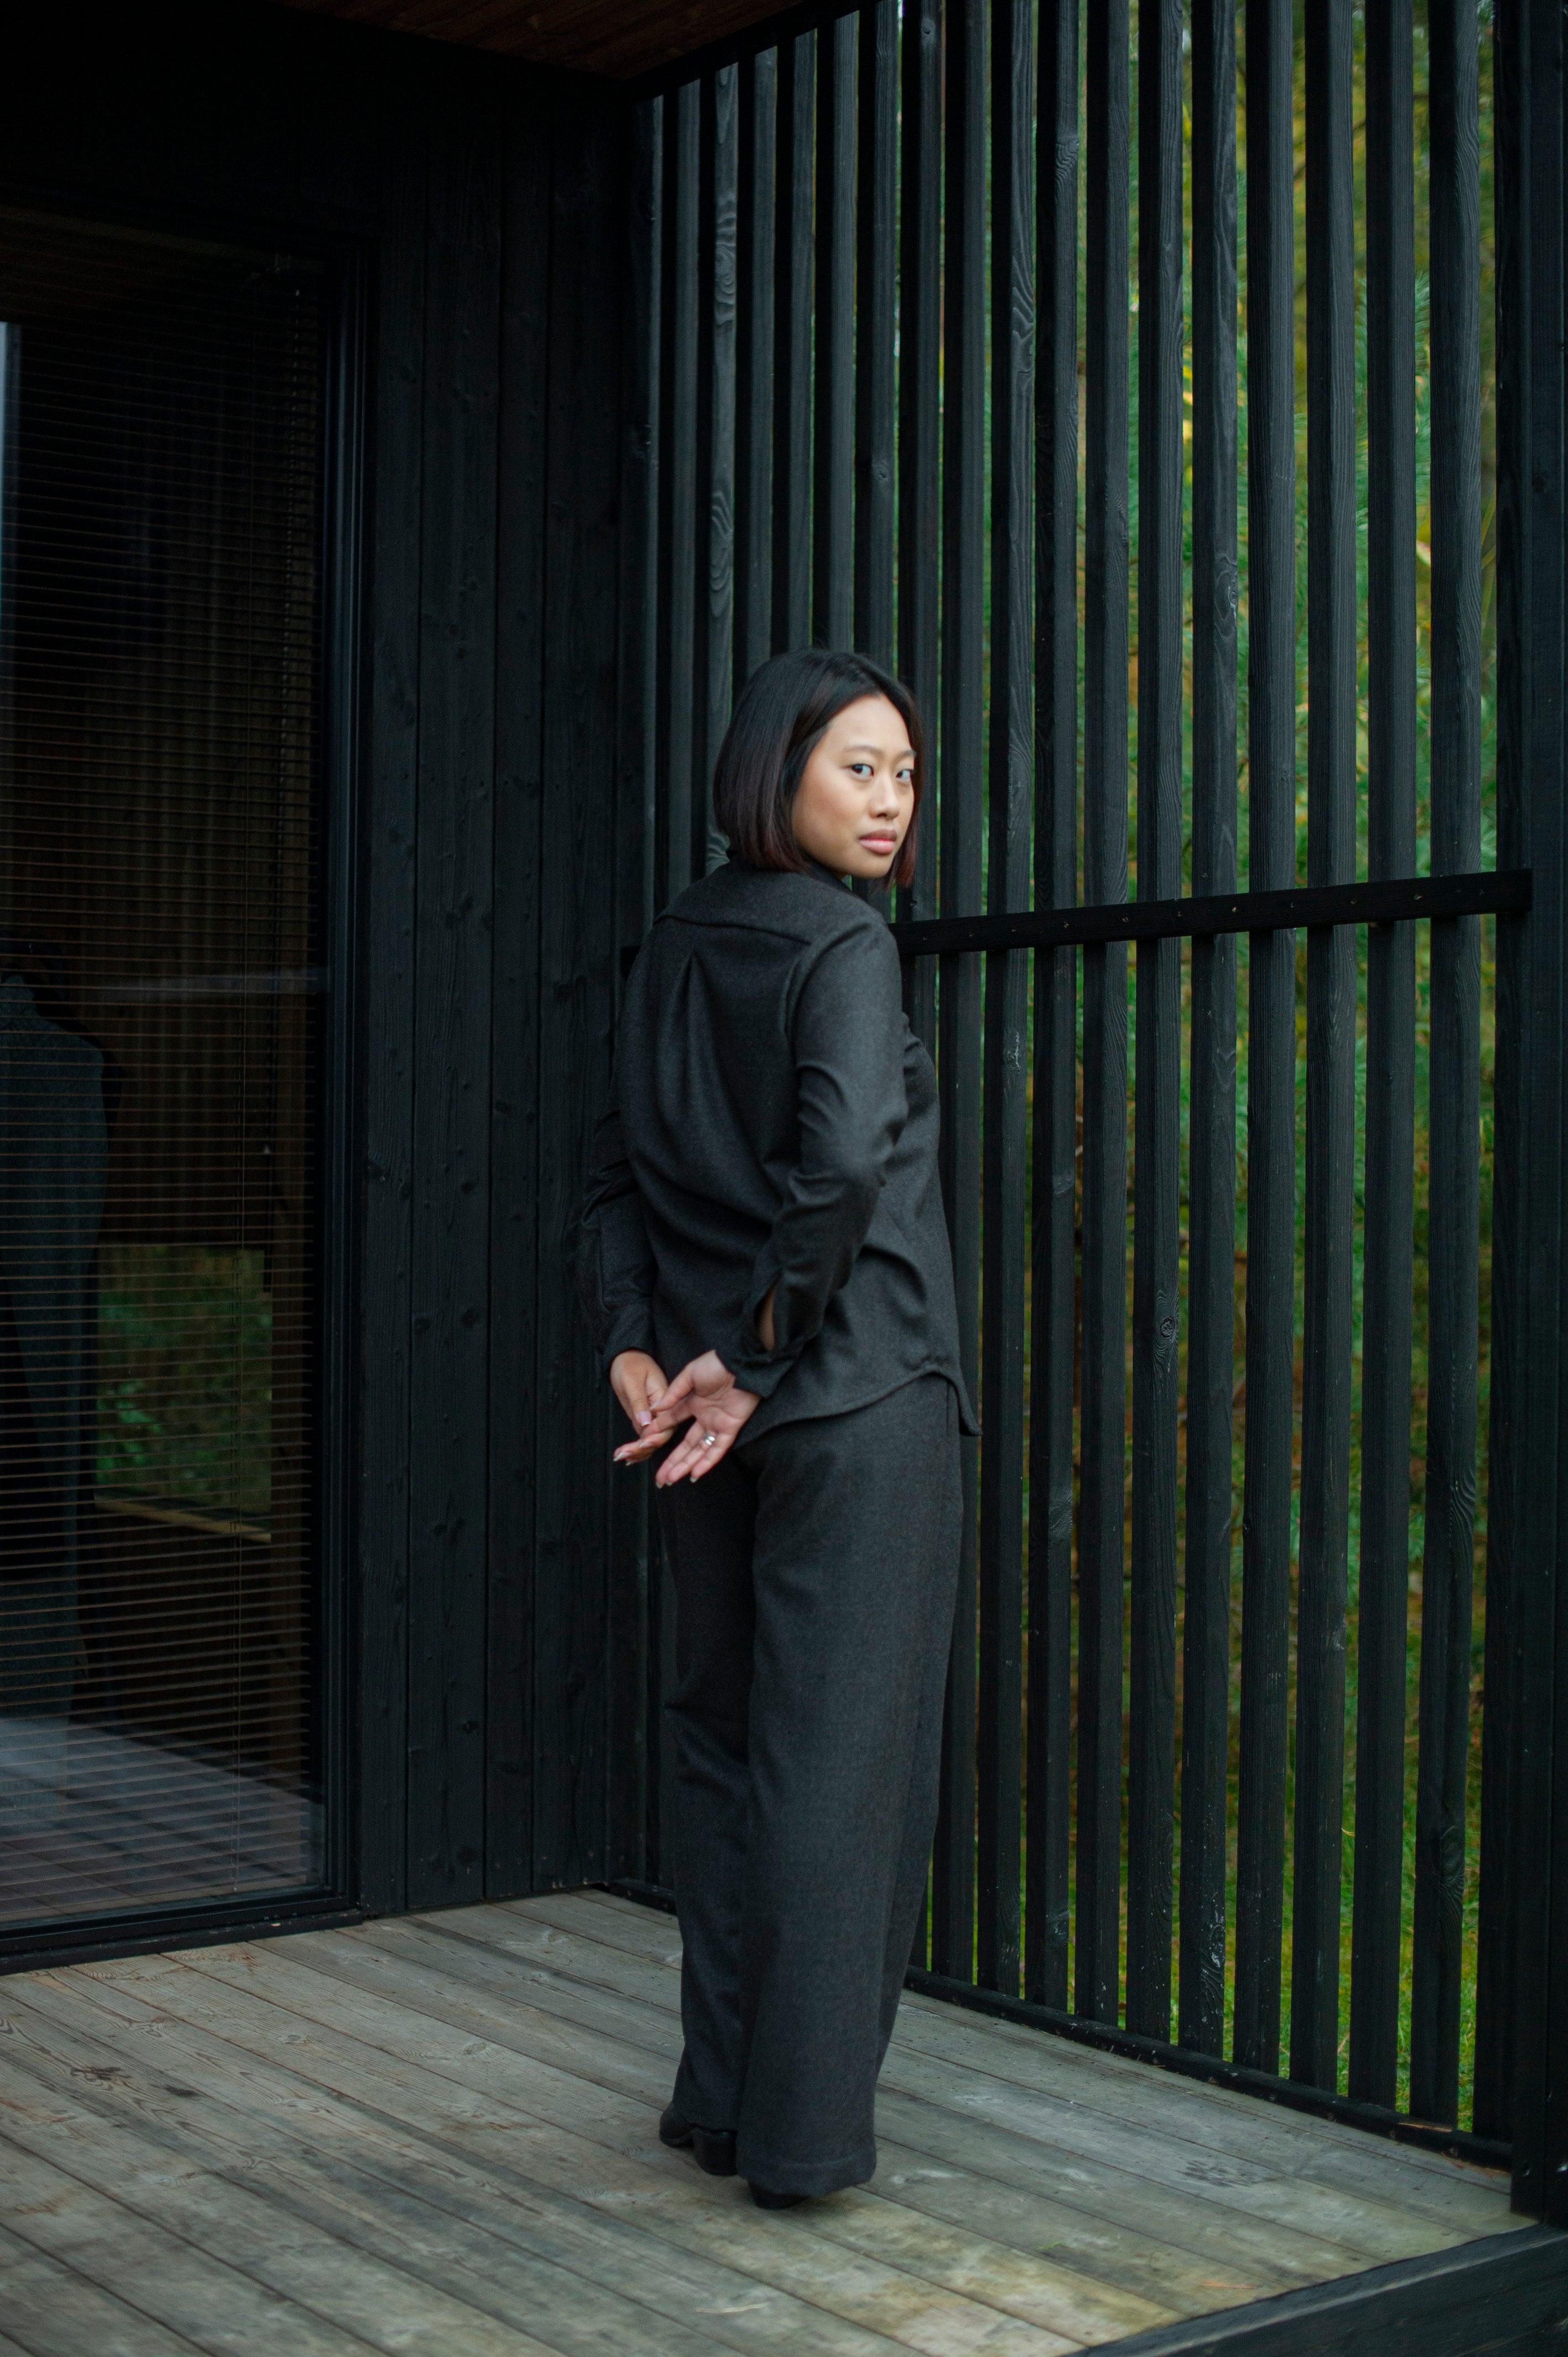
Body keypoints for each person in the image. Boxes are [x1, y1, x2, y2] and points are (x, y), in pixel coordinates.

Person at [575, 647, 976, 2208]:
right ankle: (799, 2147)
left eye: (905, 775)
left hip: (701, 1419)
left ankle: (726, 2102)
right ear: (775, 772)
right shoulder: (844, 946)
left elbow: (610, 1173)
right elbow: (840, 1176)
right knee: (839, 1775)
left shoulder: (675, 943)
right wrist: (745, 1359)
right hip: (851, 1396)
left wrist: (632, 1349)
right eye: (857, 769)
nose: (890, 803)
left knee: (728, 1748)